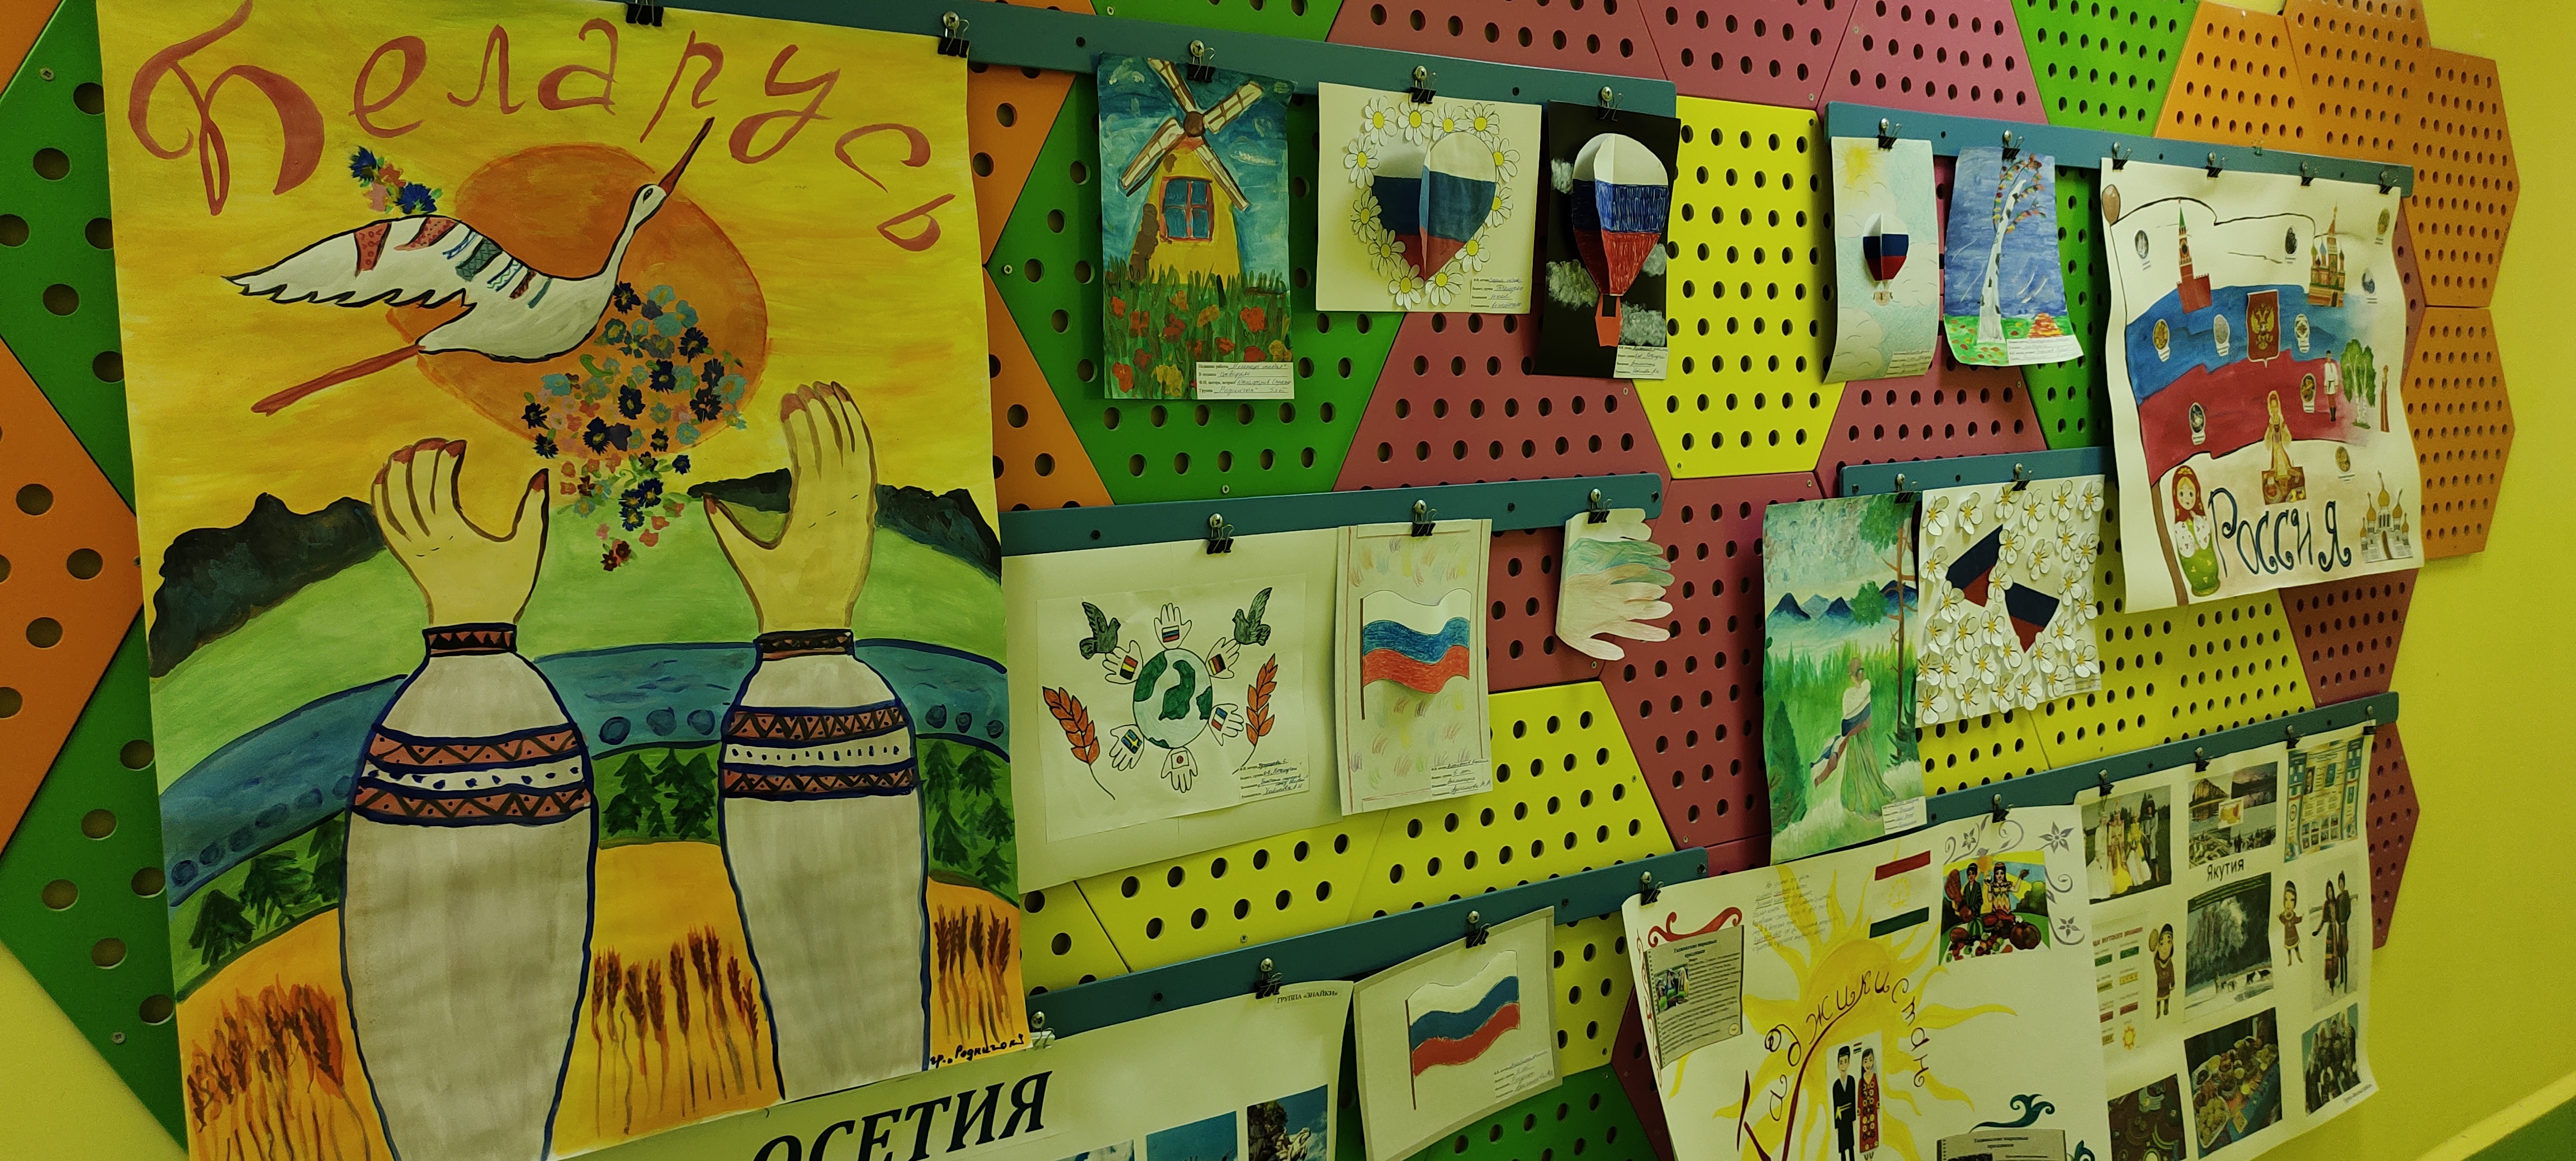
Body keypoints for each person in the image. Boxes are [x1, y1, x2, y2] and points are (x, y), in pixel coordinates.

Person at [2169, 466, 2222, 597]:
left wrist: (2198, 521)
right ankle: (2198, 586)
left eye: (2191, 494)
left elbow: (2206, 534)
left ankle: (2213, 581)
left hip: (2206, 556)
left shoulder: (2199, 517)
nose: (2187, 499)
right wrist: (2192, 544)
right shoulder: (2179, 524)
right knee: (2193, 570)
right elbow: (2182, 541)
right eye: (2182, 494)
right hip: (2192, 558)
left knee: (2210, 566)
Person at [1832, 1047, 1859, 1161]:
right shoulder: (1836, 1085)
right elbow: (1835, 1106)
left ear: (1849, 1063)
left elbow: (1853, 1099)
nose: (1843, 1066)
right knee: (1843, 1148)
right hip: (1841, 1119)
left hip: (1849, 1118)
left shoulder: (1852, 1081)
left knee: (1851, 1146)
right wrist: (1836, 1126)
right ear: (1838, 1065)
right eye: (1841, 1062)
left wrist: (1854, 1119)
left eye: (1845, 1062)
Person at [1858, 1047, 1882, 1155]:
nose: (1868, 1064)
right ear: (1862, 1064)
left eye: (1870, 1060)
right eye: (1866, 1061)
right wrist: (1859, 1109)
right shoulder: (1861, 1080)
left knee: (1873, 1127)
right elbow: (1859, 1096)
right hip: (1864, 1110)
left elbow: (1876, 1091)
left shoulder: (1874, 1077)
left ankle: (1873, 1147)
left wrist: (1878, 1103)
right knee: (1864, 1129)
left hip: (1872, 1108)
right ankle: (1865, 1149)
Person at [2152, 924, 2177, 1017]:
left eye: (2169, 942)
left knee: (2167, 999)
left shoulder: (2170, 963)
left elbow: (2172, 973)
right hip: (2160, 985)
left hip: (2166, 985)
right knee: (2159, 1000)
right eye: (2162, 944)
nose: (2165, 948)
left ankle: (2166, 1010)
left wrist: (2172, 983)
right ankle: (2158, 1012)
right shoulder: (2157, 963)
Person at [2279, 880, 2303, 965]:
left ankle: (2299, 957)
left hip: (2294, 935)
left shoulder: (2293, 915)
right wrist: (2280, 917)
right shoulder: (2284, 916)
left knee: (2296, 948)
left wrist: (2301, 918)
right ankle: (2290, 961)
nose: (2289, 904)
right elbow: (2283, 921)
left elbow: (2296, 920)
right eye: (2286, 899)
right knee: (2289, 950)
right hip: (2288, 937)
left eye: (2292, 900)